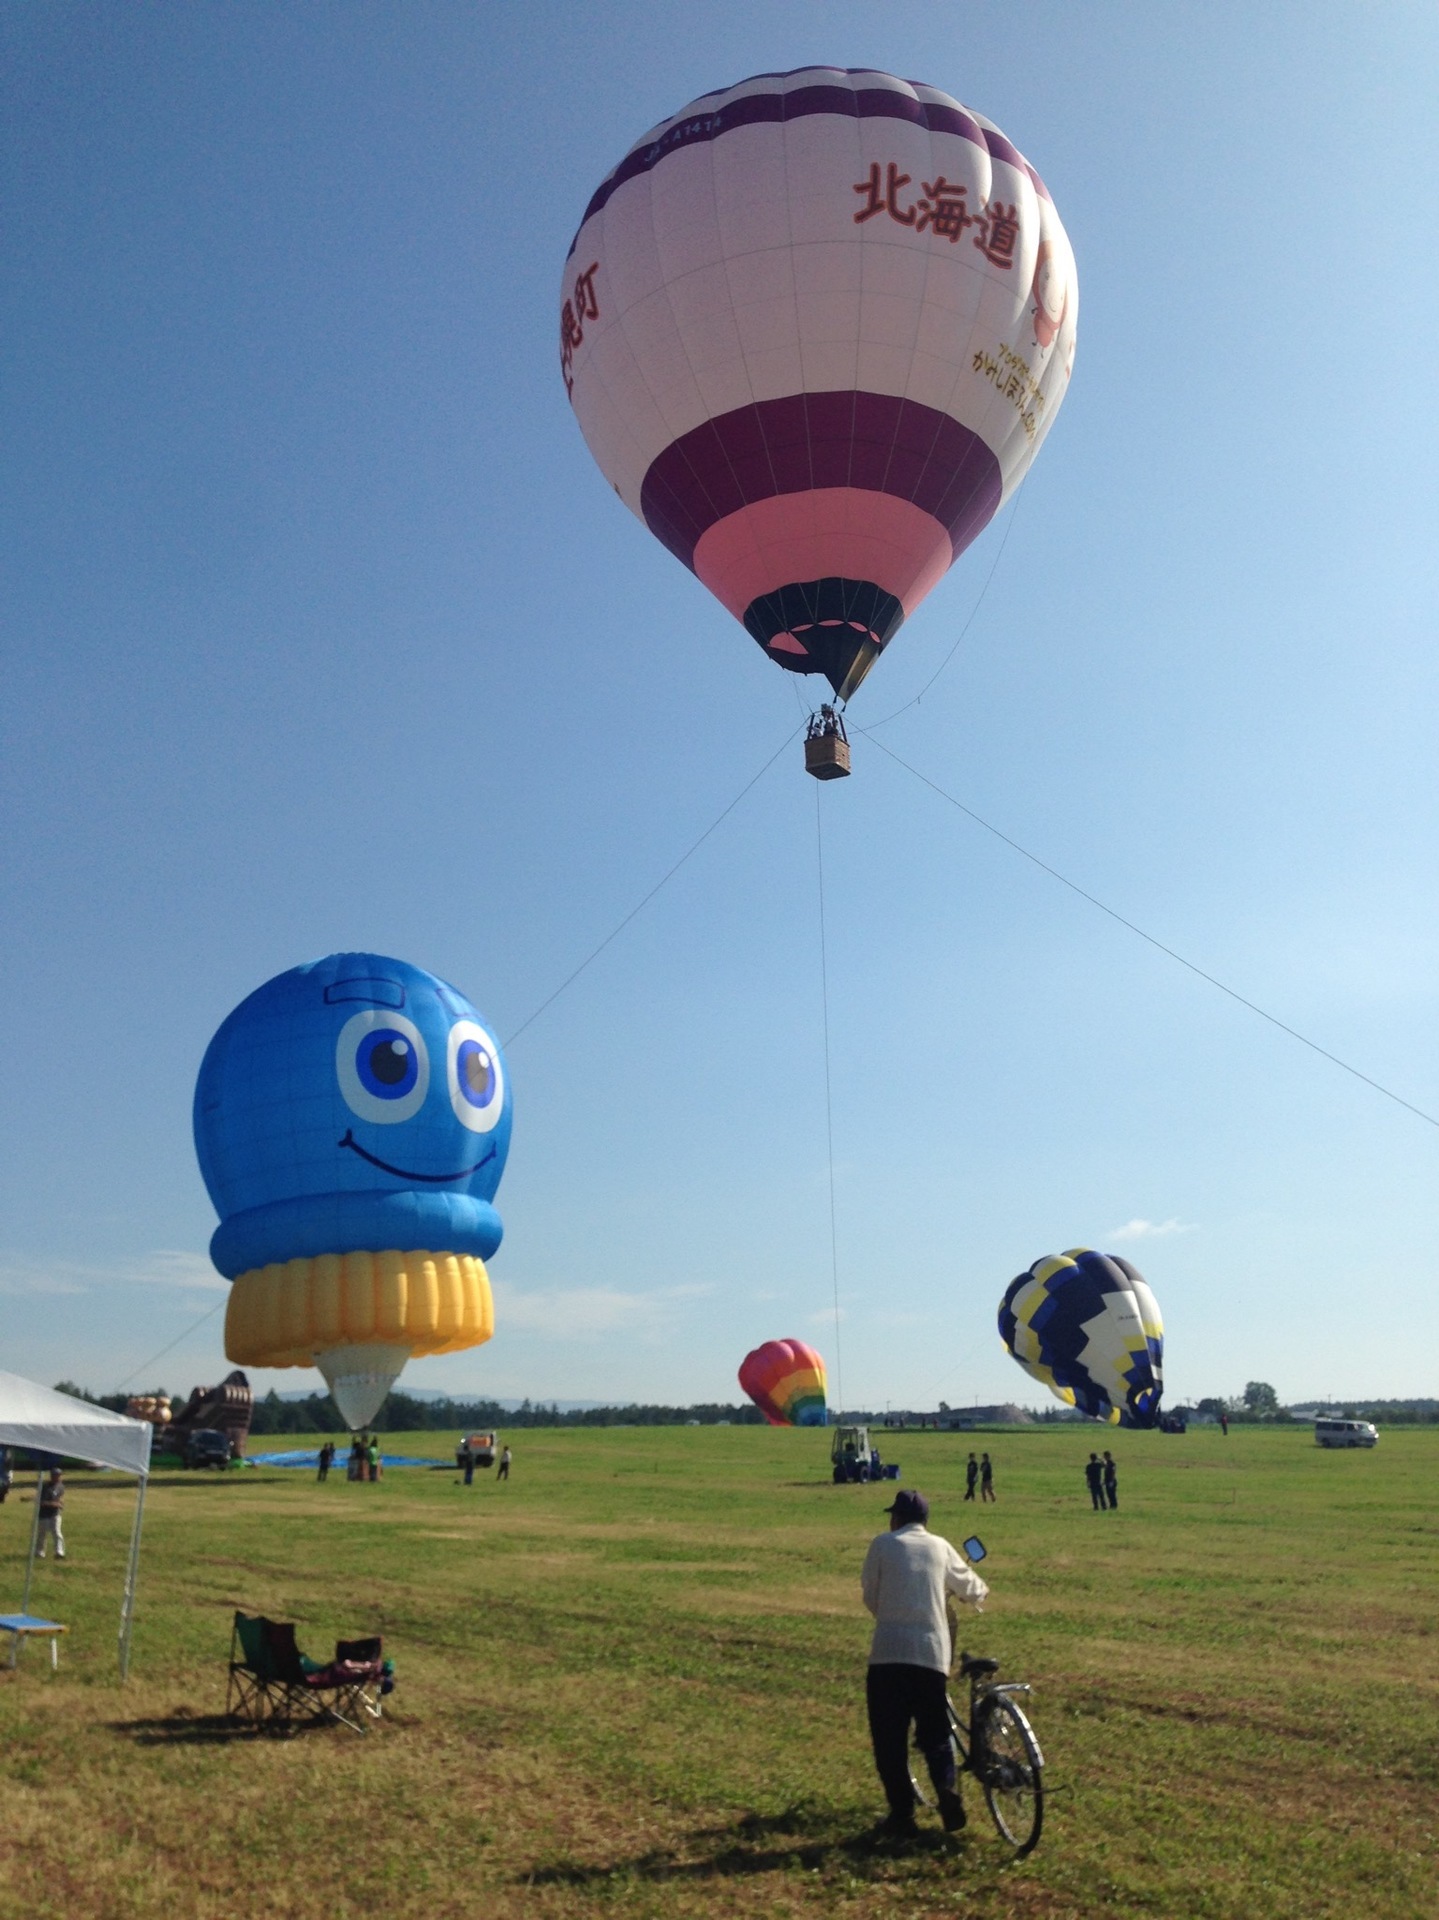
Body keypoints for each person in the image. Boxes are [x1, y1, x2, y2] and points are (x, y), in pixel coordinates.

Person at [860, 1488, 988, 1837]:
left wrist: (889, 1615)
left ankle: (902, 1814)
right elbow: (974, 1588)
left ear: (896, 1518)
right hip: (931, 1657)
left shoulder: (882, 1544)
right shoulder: (942, 1547)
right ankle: (946, 1791)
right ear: (926, 1521)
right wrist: (972, 1595)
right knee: (935, 1734)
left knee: (890, 1740)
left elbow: (870, 1595)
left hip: (888, 1654)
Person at [37, 1467, 65, 1558]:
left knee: (57, 1533)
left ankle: (59, 1552)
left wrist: (60, 1503)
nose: (57, 1477)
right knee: (42, 1534)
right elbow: (42, 1502)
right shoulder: (45, 1487)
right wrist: (55, 1504)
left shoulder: (61, 1486)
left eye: (59, 1475)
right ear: (51, 1476)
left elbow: (60, 1498)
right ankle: (40, 1552)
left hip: (55, 1514)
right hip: (44, 1514)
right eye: (55, 1475)